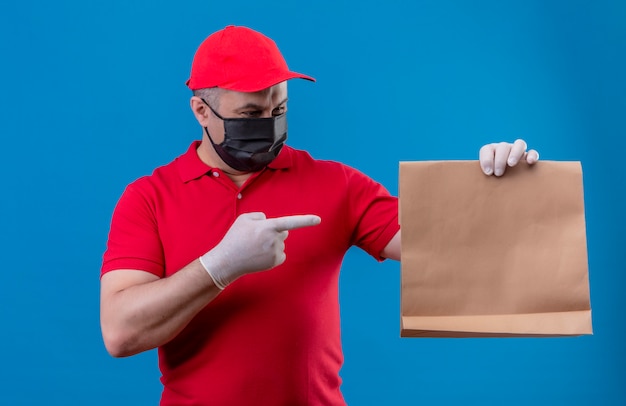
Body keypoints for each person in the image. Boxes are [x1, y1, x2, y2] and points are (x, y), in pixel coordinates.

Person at [100, 25, 539, 406]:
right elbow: (120, 333)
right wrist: (221, 265)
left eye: (279, 110)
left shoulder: (336, 185)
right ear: (201, 111)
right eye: (251, 114)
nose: (269, 123)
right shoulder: (148, 198)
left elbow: (449, 251)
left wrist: (497, 187)